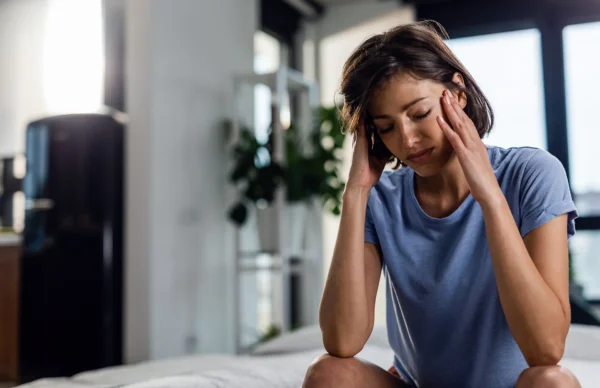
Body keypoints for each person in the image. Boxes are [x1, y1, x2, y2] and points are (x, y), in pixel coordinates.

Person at [302, 21, 582, 388]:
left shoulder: (533, 174)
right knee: (328, 373)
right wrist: (355, 193)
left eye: (418, 114)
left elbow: (545, 349)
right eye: (386, 127)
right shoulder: (380, 198)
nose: (407, 139)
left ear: (458, 93)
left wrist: (490, 197)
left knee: (553, 382)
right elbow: (342, 341)